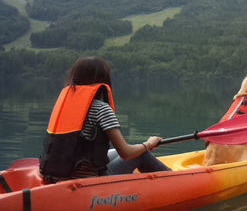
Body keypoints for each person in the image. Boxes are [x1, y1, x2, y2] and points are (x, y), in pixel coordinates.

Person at [40, 56, 169, 181]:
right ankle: (172, 179)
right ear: (103, 79)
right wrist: (148, 144)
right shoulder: (101, 109)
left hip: (58, 175)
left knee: (125, 150)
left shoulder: (64, 107)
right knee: (141, 153)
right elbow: (126, 153)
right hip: (88, 180)